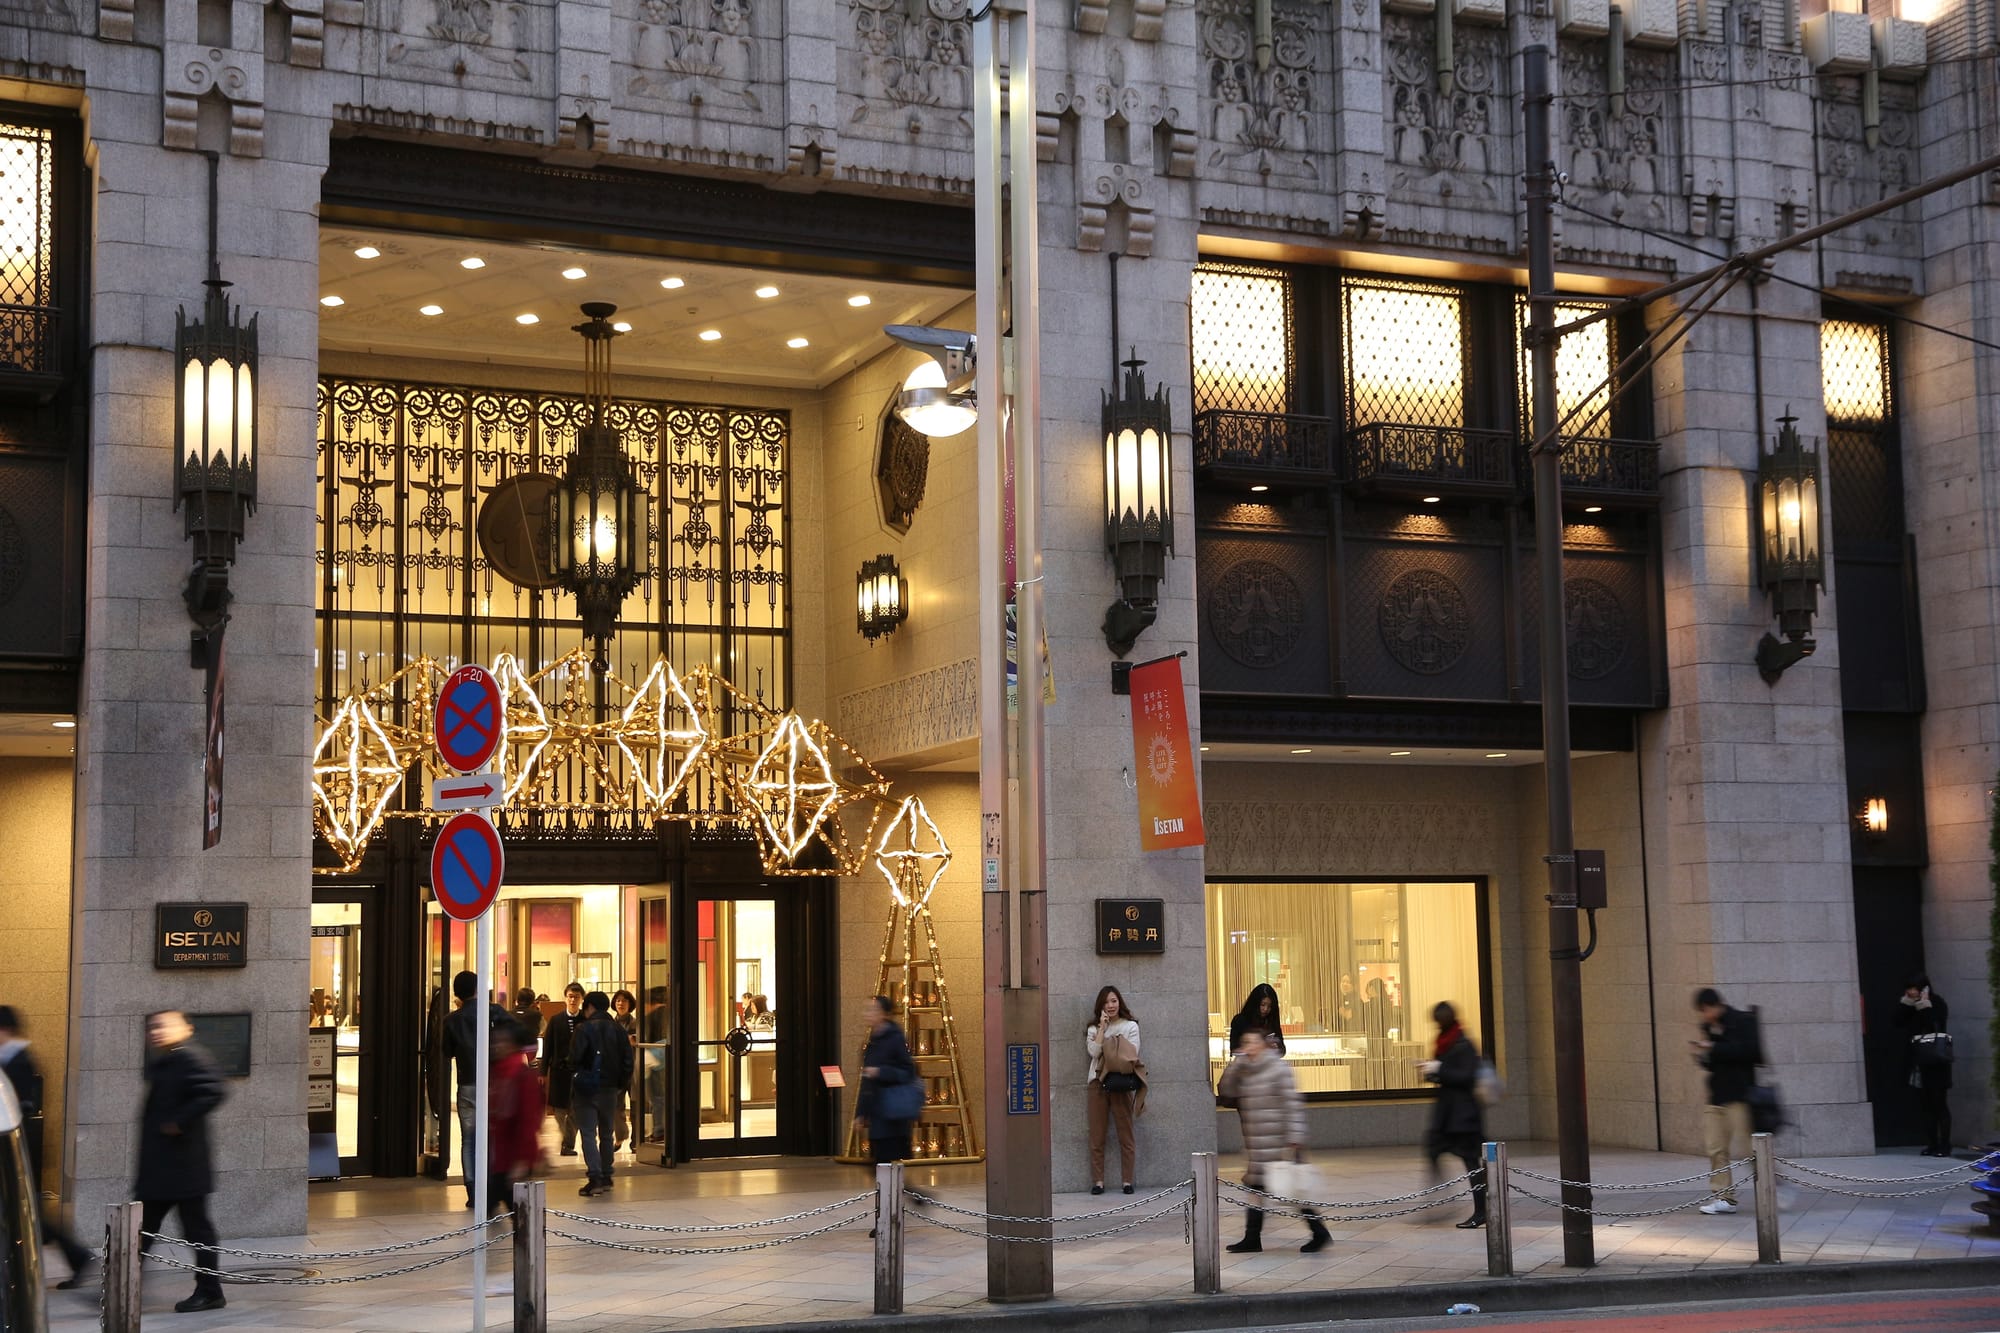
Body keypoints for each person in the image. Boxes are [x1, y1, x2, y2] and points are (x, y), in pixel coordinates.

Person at [133, 1010, 228, 1313]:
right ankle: (120, 1284)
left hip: (182, 1168)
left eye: (163, 1026)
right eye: (153, 1027)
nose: (156, 1031)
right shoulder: (168, 1059)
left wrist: (179, 1121)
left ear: (185, 1028)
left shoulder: (190, 1057)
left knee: (195, 1232)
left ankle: (210, 1291)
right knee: (141, 1230)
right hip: (164, 1168)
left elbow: (215, 1090)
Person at [0, 1006, 94, 1285]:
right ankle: (77, 1257)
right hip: (14, 1150)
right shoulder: (10, 1057)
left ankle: (76, 1257)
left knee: (32, 1214)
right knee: (33, 1215)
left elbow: (21, 1107)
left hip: (17, 1150)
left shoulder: (19, 1060)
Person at [1216, 1031, 1330, 1254]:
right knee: (1255, 1188)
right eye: (1245, 1042)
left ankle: (1319, 1233)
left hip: (1278, 1143)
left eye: (1252, 1041)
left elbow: (1292, 1104)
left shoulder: (1279, 1069)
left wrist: (1295, 1138)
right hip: (1256, 1143)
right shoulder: (1245, 1070)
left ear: (1263, 1044)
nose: (1249, 1046)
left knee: (1291, 1189)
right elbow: (1226, 1090)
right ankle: (1252, 1238)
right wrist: (1235, 1065)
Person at [441, 970, 510, 1208]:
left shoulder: (452, 1019)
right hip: (495, 1084)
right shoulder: (496, 1012)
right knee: (494, 1137)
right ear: (477, 989)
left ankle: (472, 1189)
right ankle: (492, 1187)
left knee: (469, 1139)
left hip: (467, 1084)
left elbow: (446, 1051)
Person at [1418, 1001, 1487, 1229]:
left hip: (1463, 1117)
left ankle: (1481, 1211)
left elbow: (1467, 1076)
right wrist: (1431, 1071)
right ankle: (1438, 1200)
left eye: (1440, 1020)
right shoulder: (1443, 1042)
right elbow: (1446, 1075)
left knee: (1471, 1163)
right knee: (1433, 1150)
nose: (1437, 1025)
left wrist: (1439, 1070)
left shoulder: (1463, 1043)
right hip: (1447, 1115)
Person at [1692, 987, 1760, 1215]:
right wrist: (1702, 1053)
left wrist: (1715, 1047)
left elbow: (1749, 1051)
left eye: (1706, 1010)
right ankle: (1724, 1197)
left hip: (1739, 1096)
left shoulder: (1741, 1021)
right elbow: (1710, 1064)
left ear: (1714, 1005)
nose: (1705, 1016)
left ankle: (1773, 1187)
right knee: (1715, 1149)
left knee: (1751, 1148)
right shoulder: (1708, 1028)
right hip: (1716, 1097)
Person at [568, 991, 633, 1197]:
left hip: (587, 1089)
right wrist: (620, 1085)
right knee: (607, 1133)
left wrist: (573, 1072)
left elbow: (574, 1058)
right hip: (610, 1089)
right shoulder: (618, 1030)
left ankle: (594, 1177)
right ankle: (606, 1176)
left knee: (588, 1133)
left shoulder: (583, 1028)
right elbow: (628, 1061)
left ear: (589, 1007)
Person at [1084, 985, 1141, 1195]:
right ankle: (1098, 1181)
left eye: (1114, 1001)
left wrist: (1111, 1048)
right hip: (1097, 1083)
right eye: (1107, 1002)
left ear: (1120, 1003)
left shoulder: (1130, 1026)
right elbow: (1093, 1052)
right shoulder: (1093, 1029)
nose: (1110, 1005)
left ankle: (1127, 1181)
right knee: (1097, 1135)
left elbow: (1132, 1053)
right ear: (1101, 1005)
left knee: (1125, 1134)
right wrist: (1102, 1028)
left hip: (1121, 1083)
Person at [486, 1020, 545, 1218]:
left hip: (514, 1158)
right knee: (506, 1210)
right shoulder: (497, 1071)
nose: (496, 1045)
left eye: (502, 1041)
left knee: (520, 1217)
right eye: (495, 1041)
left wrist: (521, 1160)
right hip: (499, 1156)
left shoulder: (521, 1075)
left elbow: (529, 1119)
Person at [854, 995, 918, 1164]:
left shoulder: (895, 1038)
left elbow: (908, 1071)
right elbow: (866, 1081)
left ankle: (899, 1190)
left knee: (886, 1164)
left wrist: (881, 1072)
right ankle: (893, 1190)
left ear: (883, 1014)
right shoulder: (872, 1042)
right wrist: (861, 1113)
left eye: (872, 1010)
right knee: (880, 1165)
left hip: (893, 1113)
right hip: (878, 1113)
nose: (867, 1013)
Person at [1896, 973, 1953, 1156]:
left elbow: (1935, 1024)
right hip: (1918, 1062)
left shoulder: (1936, 1003)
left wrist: (1924, 1006)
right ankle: (1932, 1143)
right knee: (1926, 1105)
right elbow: (1896, 1022)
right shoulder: (1909, 1007)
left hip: (1936, 1061)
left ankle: (1945, 1144)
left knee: (1939, 1103)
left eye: (1914, 988)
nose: (1911, 992)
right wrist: (1906, 1004)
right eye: (1909, 988)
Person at [542, 982, 586, 1158]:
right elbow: (547, 1047)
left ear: (581, 999)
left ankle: (567, 1144)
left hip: (579, 1071)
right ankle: (565, 1139)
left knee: (575, 1109)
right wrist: (543, 1071)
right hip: (559, 1071)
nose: (573, 1000)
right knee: (559, 1110)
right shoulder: (556, 1020)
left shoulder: (585, 1020)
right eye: (570, 996)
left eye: (576, 997)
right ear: (565, 998)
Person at [610, 989, 638, 1150]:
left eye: (624, 1001)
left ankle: (636, 1141)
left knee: (636, 1107)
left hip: (634, 1070)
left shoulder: (636, 1023)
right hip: (616, 1071)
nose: (621, 1003)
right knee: (616, 1106)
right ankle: (620, 1136)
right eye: (618, 1001)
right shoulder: (610, 1024)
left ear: (630, 1004)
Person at [1229, 983, 1287, 1056]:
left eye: (1269, 1006)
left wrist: (1276, 1048)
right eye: (1262, 1005)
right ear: (1255, 1003)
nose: (1266, 1009)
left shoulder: (1271, 1021)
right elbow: (1234, 1049)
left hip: (1267, 1064)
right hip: (1246, 1065)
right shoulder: (1240, 1021)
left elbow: (1282, 1050)